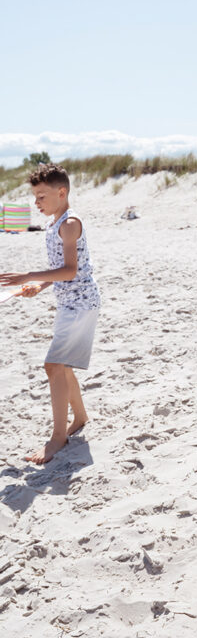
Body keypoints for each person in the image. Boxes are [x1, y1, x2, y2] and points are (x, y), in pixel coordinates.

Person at [0, 163, 100, 464]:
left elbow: (70, 270)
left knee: (54, 365)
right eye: (34, 197)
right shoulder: (54, 223)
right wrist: (39, 286)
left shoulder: (70, 223)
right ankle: (79, 417)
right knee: (59, 366)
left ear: (61, 192)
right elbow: (62, 271)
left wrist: (27, 274)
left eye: (41, 196)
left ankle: (58, 437)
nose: (36, 203)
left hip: (81, 303)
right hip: (69, 302)